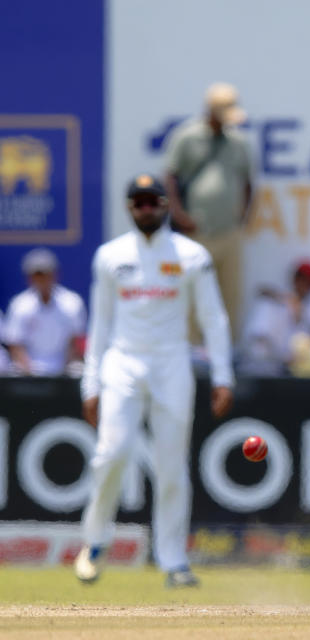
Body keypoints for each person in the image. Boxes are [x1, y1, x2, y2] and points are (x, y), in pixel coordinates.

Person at [75, 174, 234, 588]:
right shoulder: (111, 256)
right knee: (112, 452)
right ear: (129, 208)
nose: (146, 208)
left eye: (153, 201)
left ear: (166, 206)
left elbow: (212, 318)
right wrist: (89, 384)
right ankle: (94, 541)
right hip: (122, 362)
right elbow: (101, 324)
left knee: (170, 465)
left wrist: (222, 375)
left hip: (171, 362)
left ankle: (173, 560)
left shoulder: (191, 255)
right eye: (138, 202)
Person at [164, 82, 253, 338]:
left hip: (229, 231)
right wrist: (180, 215)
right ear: (211, 111)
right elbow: (170, 178)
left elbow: (248, 183)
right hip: (196, 232)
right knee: (193, 294)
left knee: (230, 294)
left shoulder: (238, 142)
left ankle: (228, 350)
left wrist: (242, 218)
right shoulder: (187, 137)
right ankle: (193, 350)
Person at [4, 248, 86, 376]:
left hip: (65, 367)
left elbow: (75, 342)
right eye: (37, 275)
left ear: (54, 275)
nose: (41, 279)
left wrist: (62, 369)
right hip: (28, 371)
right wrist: (29, 371)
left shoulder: (72, 303)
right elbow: (15, 345)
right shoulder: (19, 305)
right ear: (30, 278)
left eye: (45, 274)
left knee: (80, 370)